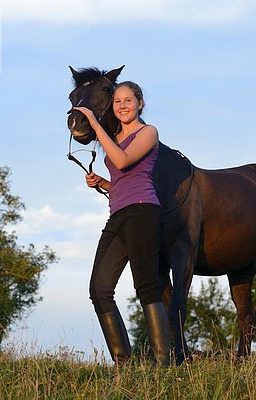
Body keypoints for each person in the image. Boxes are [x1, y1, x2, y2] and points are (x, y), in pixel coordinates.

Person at [73, 81, 171, 367]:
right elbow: (121, 176)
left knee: (146, 285)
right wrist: (102, 183)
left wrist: (94, 122)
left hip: (143, 212)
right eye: (117, 101)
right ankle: (123, 364)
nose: (122, 105)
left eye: (128, 100)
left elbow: (124, 160)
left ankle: (163, 363)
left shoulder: (148, 132)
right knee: (99, 289)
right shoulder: (113, 138)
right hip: (118, 214)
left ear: (140, 103)